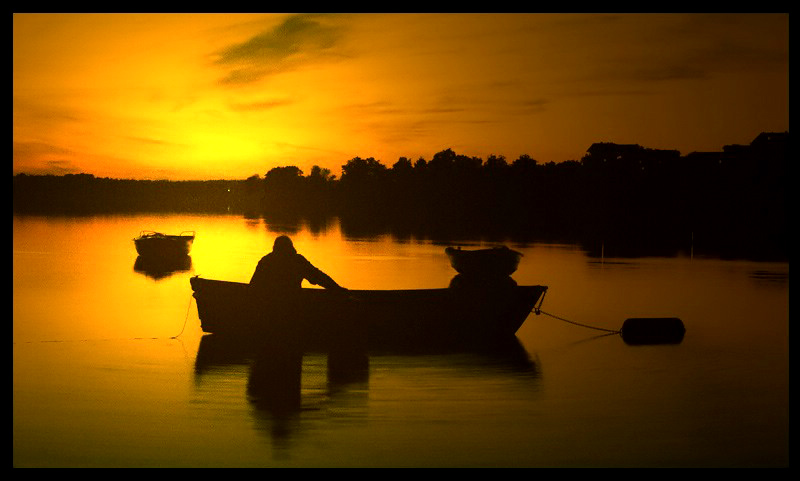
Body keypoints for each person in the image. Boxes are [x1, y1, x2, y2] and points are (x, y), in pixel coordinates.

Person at [250, 235, 347, 294]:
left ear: (275, 248)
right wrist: (337, 289)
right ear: (291, 248)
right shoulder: (297, 261)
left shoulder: (266, 261)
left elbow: (253, 285)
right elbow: (319, 277)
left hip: (269, 304)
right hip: (293, 304)